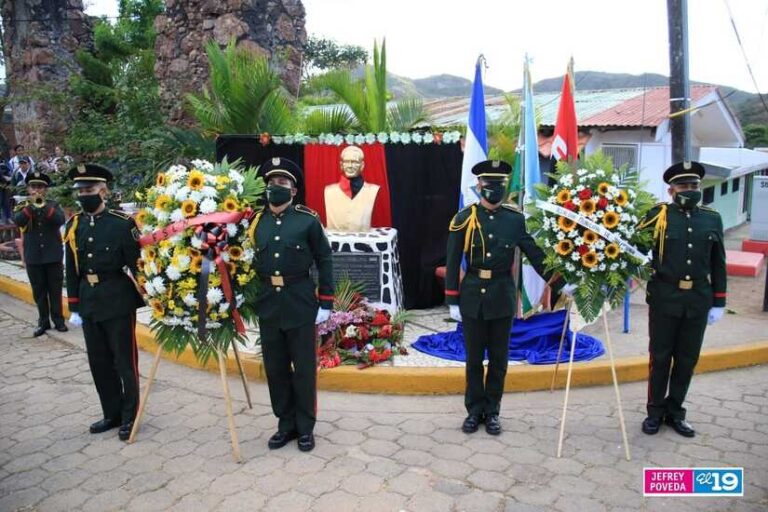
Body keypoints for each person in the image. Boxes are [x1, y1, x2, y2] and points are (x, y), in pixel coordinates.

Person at [444, 160, 573, 435]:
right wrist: (452, 300)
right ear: (479, 185)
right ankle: (474, 410)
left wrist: (561, 282)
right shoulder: (464, 218)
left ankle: (492, 412)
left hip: (502, 295)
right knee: (474, 359)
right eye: (489, 184)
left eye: (499, 184)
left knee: (500, 360)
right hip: (472, 297)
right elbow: (453, 261)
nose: (494, 189)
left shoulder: (514, 220)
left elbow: (535, 254)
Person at [251, 157, 334, 452]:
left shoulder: (307, 220)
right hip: (268, 304)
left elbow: (324, 258)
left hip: (299, 301)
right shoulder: (255, 222)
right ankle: (285, 424)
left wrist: (326, 300)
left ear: (294, 190)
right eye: (272, 183)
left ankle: (305, 427)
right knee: (275, 367)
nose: (276, 188)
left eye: (282, 183)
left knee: (303, 369)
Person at [638, 161, 726, 438]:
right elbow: (636, 251)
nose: (690, 190)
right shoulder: (657, 216)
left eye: (694, 185)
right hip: (665, 298)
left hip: (698, 299)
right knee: (661, 358)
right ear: (671, 190)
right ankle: (654, 412)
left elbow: (718, 262)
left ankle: (675, 412)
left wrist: (719, 301)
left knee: (687, 359)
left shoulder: (712, 218)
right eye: (684, 186)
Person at [64, 163, 144, 441]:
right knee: (98, 361)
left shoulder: (122, 224)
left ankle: (130, 415)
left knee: (125, 361)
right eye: (81, 191)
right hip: (89, 299)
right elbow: (71, 268)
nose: (85, 195)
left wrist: (152, 295)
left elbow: (137, 264)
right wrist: (74, 305)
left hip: (117, 299)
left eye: (90, 190)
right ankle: (111, 413)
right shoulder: (75, 225)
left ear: (104, 191)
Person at [12, 171, 67, 336]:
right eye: (34, 186)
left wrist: (44, 206)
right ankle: (43, 322)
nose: (37, 190)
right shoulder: (22, 206)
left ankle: (59, 321)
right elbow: (19, 221)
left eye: (41, 187)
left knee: (55, 290)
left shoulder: (53, 205)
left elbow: (59, 220)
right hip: (34, 256)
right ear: (28, 189)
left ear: (46, 189)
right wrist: (31, 206)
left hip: (53, 255)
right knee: (39, 291)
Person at [324, 145, 381, 232]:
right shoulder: (329, 191)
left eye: (354, 162)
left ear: (362, 165)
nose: (350, 165)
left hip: (363, 243)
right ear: (341, 165)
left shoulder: (372, 190)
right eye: (346, 162)